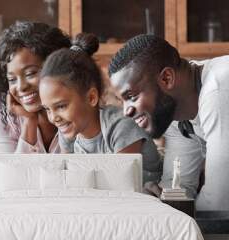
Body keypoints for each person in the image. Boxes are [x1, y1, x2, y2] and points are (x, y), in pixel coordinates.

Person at [108, 34, 229, 210]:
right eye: (123, 100)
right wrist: (158, 199)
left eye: (132, 97)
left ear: (166, 79)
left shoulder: (218, 90)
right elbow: (179, 188)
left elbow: (219, 202)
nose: (127, 111)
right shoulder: (176, 112)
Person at [39, 33, 162, 184]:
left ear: (91, 97)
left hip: (141, 198)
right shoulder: (68, 132)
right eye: (47, 109)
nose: (53, 118)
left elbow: (121, 186)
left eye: (61, 106)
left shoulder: (120, 127)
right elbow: (68, 180)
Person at [0, 21, 71, 153]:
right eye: (12, 79)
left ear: (56, 67)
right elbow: (9, 172)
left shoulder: (77, 102)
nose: (21, 87)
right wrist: (29, 123)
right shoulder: (2, 108)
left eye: (30, 73)